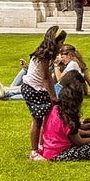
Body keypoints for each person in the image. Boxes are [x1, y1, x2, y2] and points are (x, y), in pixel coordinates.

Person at [33, 75, 90, 162]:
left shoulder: (55, 109)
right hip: (58, 153)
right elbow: (79, 141)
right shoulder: (68, 118)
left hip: (49, 150)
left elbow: (71, 132)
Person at [23, 26, 66, 155]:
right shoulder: (43, 56)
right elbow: (46, 78)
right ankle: (34, 151)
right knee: (38, 119)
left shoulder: (46, 54)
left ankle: (43, 145)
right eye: (61, 42)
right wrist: (53, 96)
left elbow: (48, 79)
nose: (62, 45)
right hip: (33, 89)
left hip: (39, 88)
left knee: (48, 117)